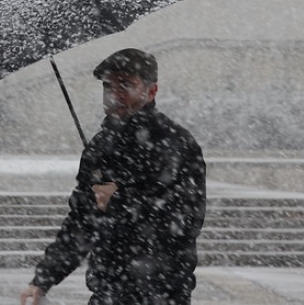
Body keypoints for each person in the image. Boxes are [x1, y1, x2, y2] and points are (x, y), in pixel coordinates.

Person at [21, 48, 206, 305]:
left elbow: (184, 220)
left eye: (126, 85)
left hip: (161, 294)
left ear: (151, 91)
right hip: (106, 291)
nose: (114, 95)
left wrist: (118, 199)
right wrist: (42, 279)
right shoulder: (99, 148)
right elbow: (81, 222)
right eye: (108, 86)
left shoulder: (175, 144)